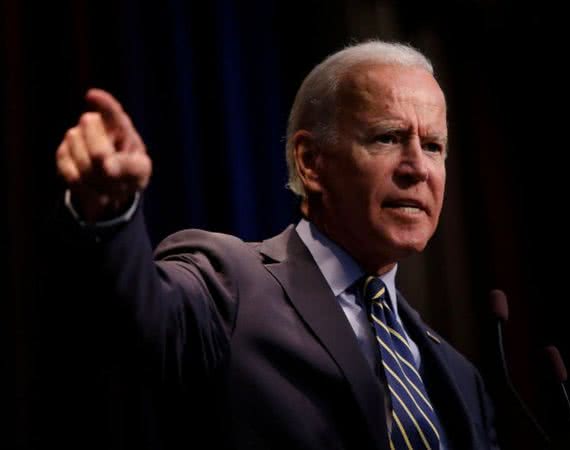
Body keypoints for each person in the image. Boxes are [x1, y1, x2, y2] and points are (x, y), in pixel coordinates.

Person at [55, 40, 499, 450]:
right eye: (387, 137)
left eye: (434, 145)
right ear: (311, 163)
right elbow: (136, 321)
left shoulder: (460, 378)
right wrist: (110, 213)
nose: (418, 168)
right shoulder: (227, 283)